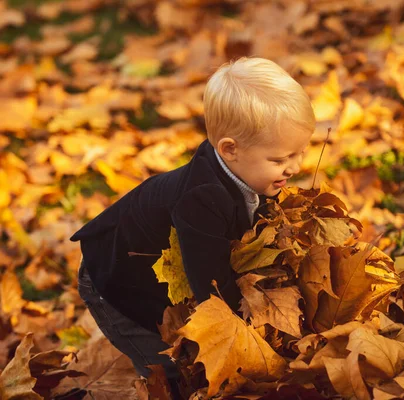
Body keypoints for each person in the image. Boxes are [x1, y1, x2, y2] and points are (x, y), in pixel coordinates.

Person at [72, 57, 316, 392]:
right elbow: (212, 291)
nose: (295, 166)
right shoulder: (202, 200)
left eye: (300, 153)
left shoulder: (252, 174)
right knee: (170, 372)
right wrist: (247, 339)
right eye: (279, 160)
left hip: (153, 269)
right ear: (229, 150)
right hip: (113, 278)